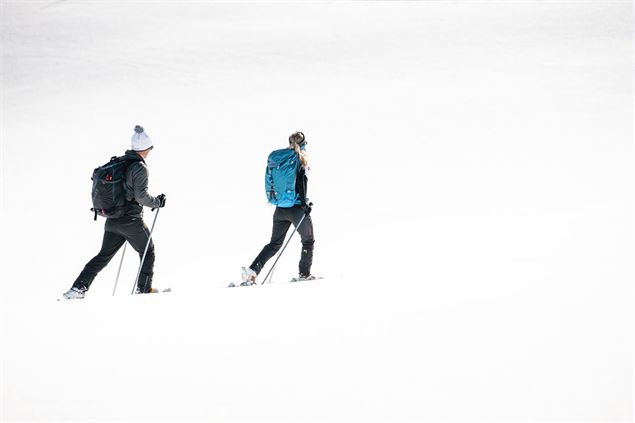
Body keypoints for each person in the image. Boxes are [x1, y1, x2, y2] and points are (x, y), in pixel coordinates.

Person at [62, 125, 166, 299]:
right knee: (148, 251)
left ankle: (77, 289)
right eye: (149, 148)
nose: (149, 151)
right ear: (146, 148)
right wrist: (158, 202)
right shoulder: (139, 167)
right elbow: (141, 196)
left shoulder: (121, 162)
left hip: (112, 220)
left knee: (103, 256)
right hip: (130, 220)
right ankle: (144, 290)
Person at [241, 131, 315, 286]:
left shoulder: (280, 158)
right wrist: (304, 204)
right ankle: (304, 273)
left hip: (280, 208)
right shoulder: (300, 159)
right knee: (308, 241)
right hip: (296, 208)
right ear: (303, 144)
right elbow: (302, 182)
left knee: (274, 244)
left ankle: (252, 271)